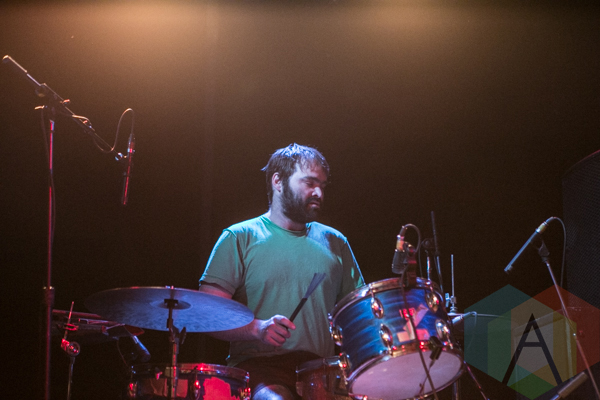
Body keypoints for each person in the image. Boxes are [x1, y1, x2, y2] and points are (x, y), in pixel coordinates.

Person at [198, 143, 364, 400]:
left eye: (322, 185)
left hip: (321, 373)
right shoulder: (239, 237)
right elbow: (207, 314)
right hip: (259, 369)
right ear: (278, 181)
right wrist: (257, 329)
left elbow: (359, 314)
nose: (318, 192)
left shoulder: (336, 242)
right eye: (309, 183)